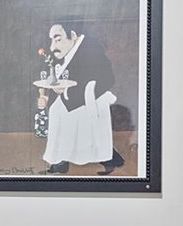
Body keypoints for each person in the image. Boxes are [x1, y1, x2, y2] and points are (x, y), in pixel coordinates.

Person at [38, 22, 125, 174]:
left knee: (88, 129)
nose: (52, 47)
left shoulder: (91, 48)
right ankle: (60, 162)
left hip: (90, 97)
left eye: (57, 39)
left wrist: (71, 93)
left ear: (72, 35)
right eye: (52, 40)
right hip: (71, 96)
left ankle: (112, 161)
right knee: (56, 111)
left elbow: (107, 78)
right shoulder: (67, 49)